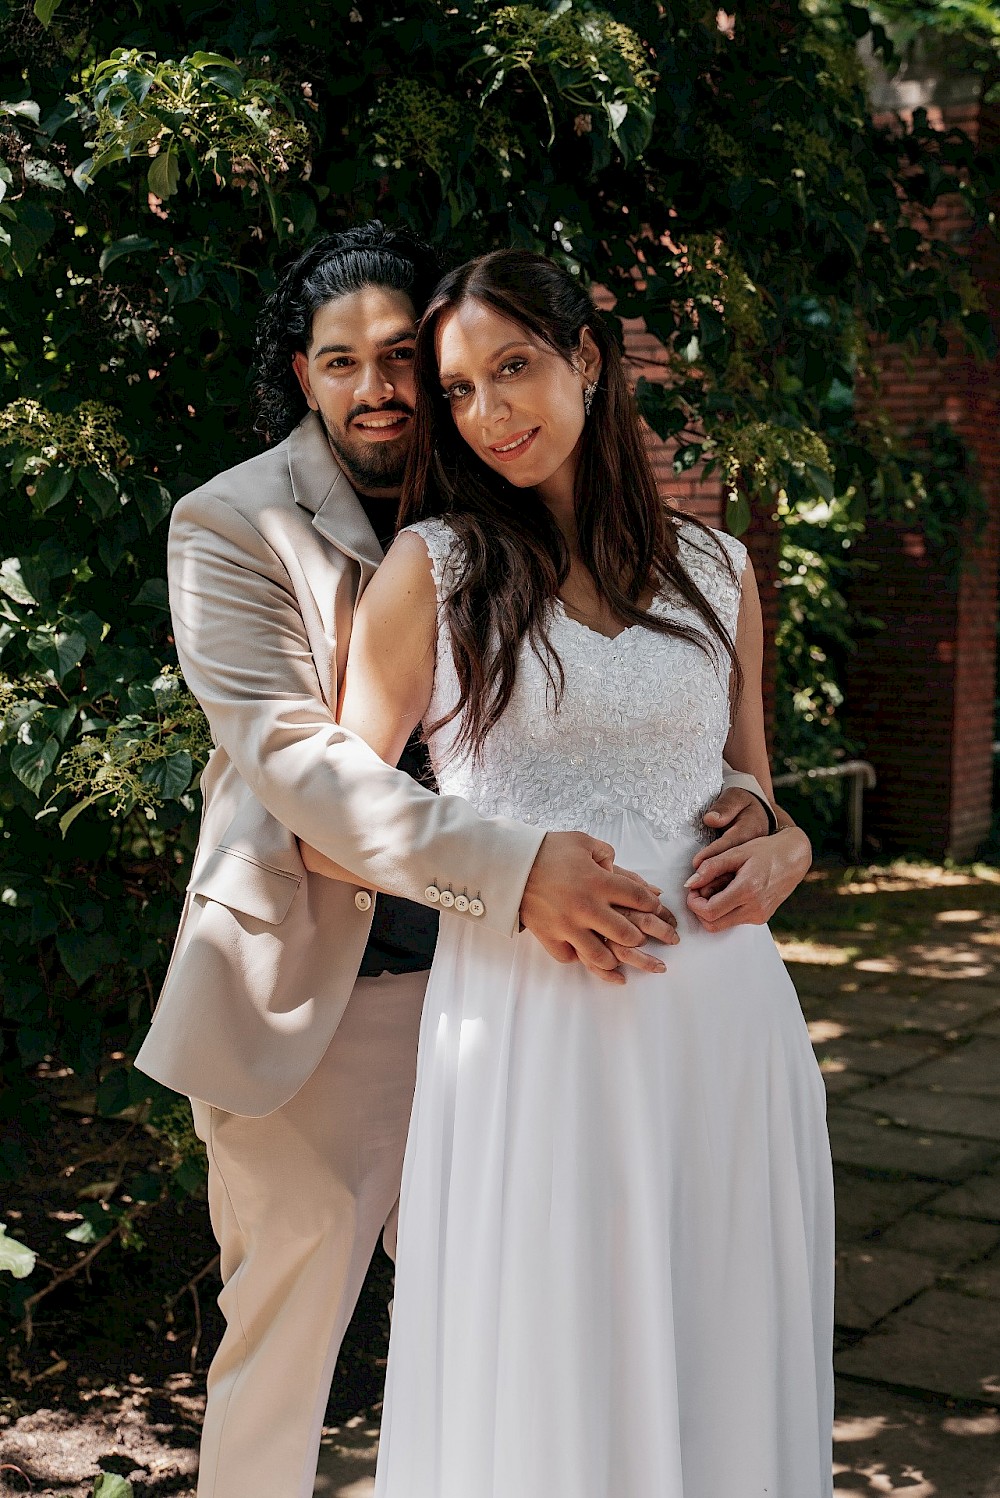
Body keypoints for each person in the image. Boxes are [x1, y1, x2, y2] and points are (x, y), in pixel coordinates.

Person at [135, 224, 809, 1498]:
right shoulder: (247, 527)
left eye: (415, 361)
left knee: (614, 1327)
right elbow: (308, 770)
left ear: (584, 361)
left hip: (645, 1014)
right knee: (295, 1349)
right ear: (302, 372)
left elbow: (742, 778)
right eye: (352, 364)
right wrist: (515, 876)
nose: (395, 390)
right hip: (344, 991)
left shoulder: (699, 563)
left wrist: (788, 836)